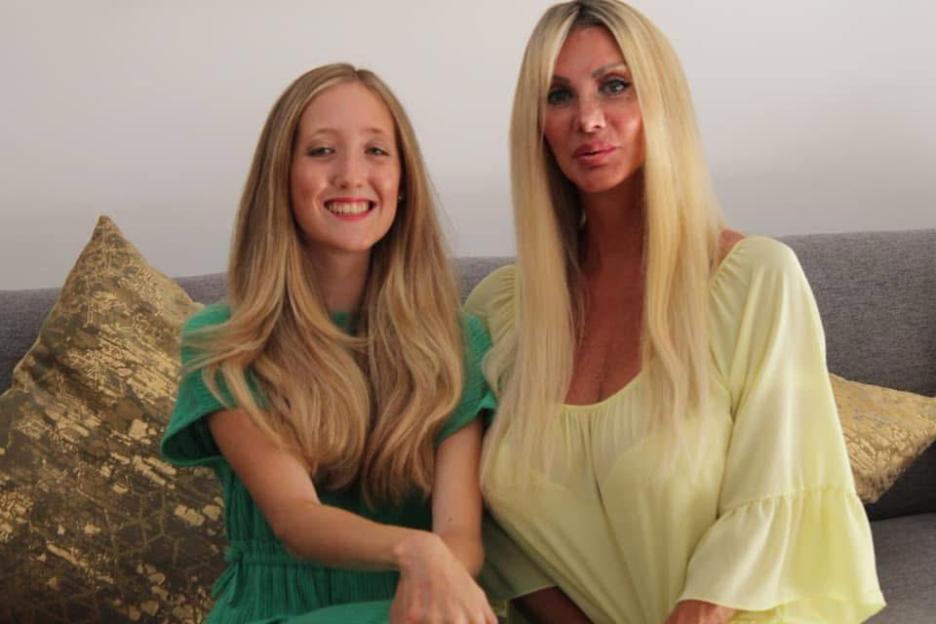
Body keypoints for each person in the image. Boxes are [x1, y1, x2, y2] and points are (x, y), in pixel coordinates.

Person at [466, 1, 885, 622]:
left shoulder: (754, 282)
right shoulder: (500, 312)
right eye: (558, 95)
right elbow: (494, 534)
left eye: (615, 86)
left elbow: (776, 498)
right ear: (537, 125)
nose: (587, 119)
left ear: (662, 102)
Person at [161, 63, 497, 624]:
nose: (350, 174)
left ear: (403, 180)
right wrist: (416, 549)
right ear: (281, 177)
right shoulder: (226, 343)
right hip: (277, 612)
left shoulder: (457, 343)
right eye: (321, 151)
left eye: (375, 151)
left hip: (417, 610)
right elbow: (297, 520)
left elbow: (460, 536)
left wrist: (436, 566)